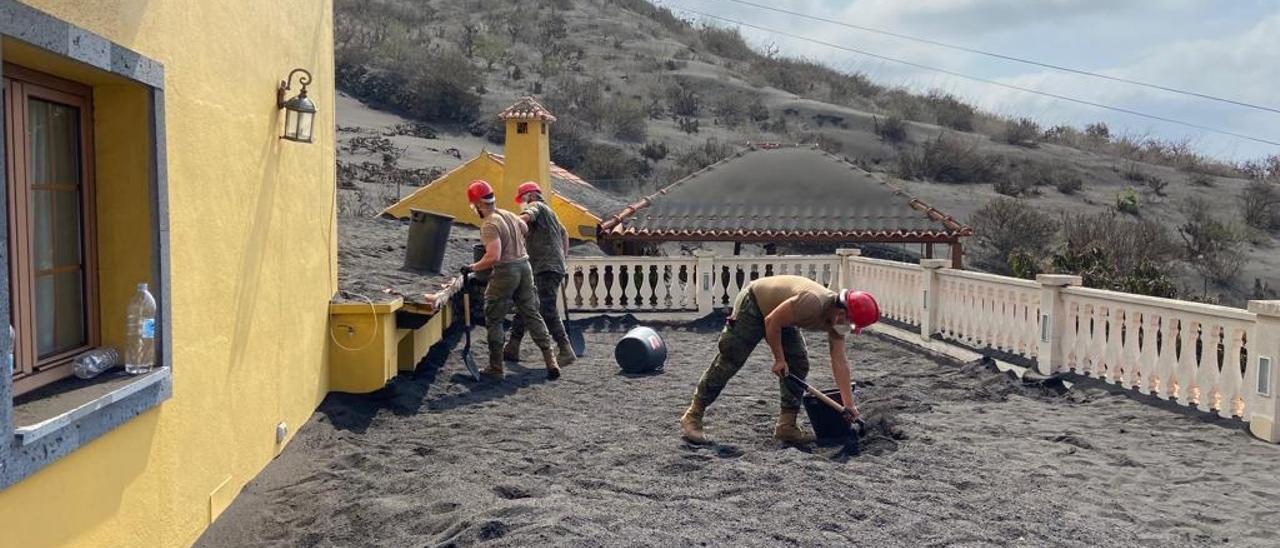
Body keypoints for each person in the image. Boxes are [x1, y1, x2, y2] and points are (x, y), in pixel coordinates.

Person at [679, 275, 879, 444]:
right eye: (852, 323)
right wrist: (778, 359)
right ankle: (693, 415)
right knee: (731, 358)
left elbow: (839, 362)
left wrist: (849, 404)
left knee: (798, 364)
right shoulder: (812, 303)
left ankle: (787, 426)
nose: (849, 328)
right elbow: (771, 321)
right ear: (842, 312)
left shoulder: (838, 322)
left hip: (781, 315)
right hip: (755, 303)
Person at [460, 180, 560, 381]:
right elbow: (523, 227)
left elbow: (493, 256)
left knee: (494, 317)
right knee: (531, 313)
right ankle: (551, 361)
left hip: (506, 270)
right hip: (525, 266)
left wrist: (472, 268)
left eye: (473, 206)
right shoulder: (508, 215)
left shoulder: (489, 223)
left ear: (479, 203)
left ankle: (496, 368)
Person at [503, 181, 576, 366]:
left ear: (532, 195)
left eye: (523, 199)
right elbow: (565, 233)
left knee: (547, 308)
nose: (522, 203)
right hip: (548, 267)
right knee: (524, 304)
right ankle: (512, 347)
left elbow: (525, 218)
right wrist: (563, 258)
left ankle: (566, 349)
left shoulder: (536, 206)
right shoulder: (551, 214)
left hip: (545, 268)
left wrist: (508, 226)